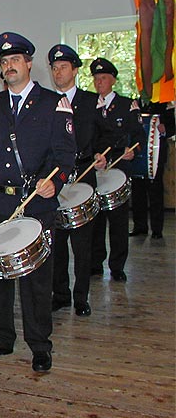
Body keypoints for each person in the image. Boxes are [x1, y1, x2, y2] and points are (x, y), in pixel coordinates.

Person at [0, 32, 76, 372]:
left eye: (14, 60)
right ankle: (0, 339)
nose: (8, 66)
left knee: (36, 279)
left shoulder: (51, 102)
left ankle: (40, 345)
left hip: (36, 205)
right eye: (4, 61)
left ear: (29, 63)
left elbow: (66, 154)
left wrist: (54, 182)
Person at [47, 45, 105, 317]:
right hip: (54, 179)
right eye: (54, 68)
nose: (58, 72)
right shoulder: (45, 102)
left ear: (75, 70)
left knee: (82, 244)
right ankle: (60, 294)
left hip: (83, 174)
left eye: (63, 68)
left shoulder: (92, 101)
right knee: (56, 242)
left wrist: (102, 154)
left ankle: (81, 296)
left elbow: (107, 136)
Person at [90, 58, 145, 282]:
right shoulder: (90, 106)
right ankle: (95, 263)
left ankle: (117, 266)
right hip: (97, 168)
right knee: (96, 221)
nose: (99, 82)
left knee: (118, 222)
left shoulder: (126, 105)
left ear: (113, 80)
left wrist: (134, 150)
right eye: (96, 79)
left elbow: (139, 136)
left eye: (103, 78)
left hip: (119, 168)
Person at [129, 101, 175, 239]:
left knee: (155, 194)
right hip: (138, 157)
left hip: (155, 157)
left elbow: (172, 127)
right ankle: (140, 226)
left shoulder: (164, 105)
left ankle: (157, 229)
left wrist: (165, 129)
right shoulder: (135, 104)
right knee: (138, 193)